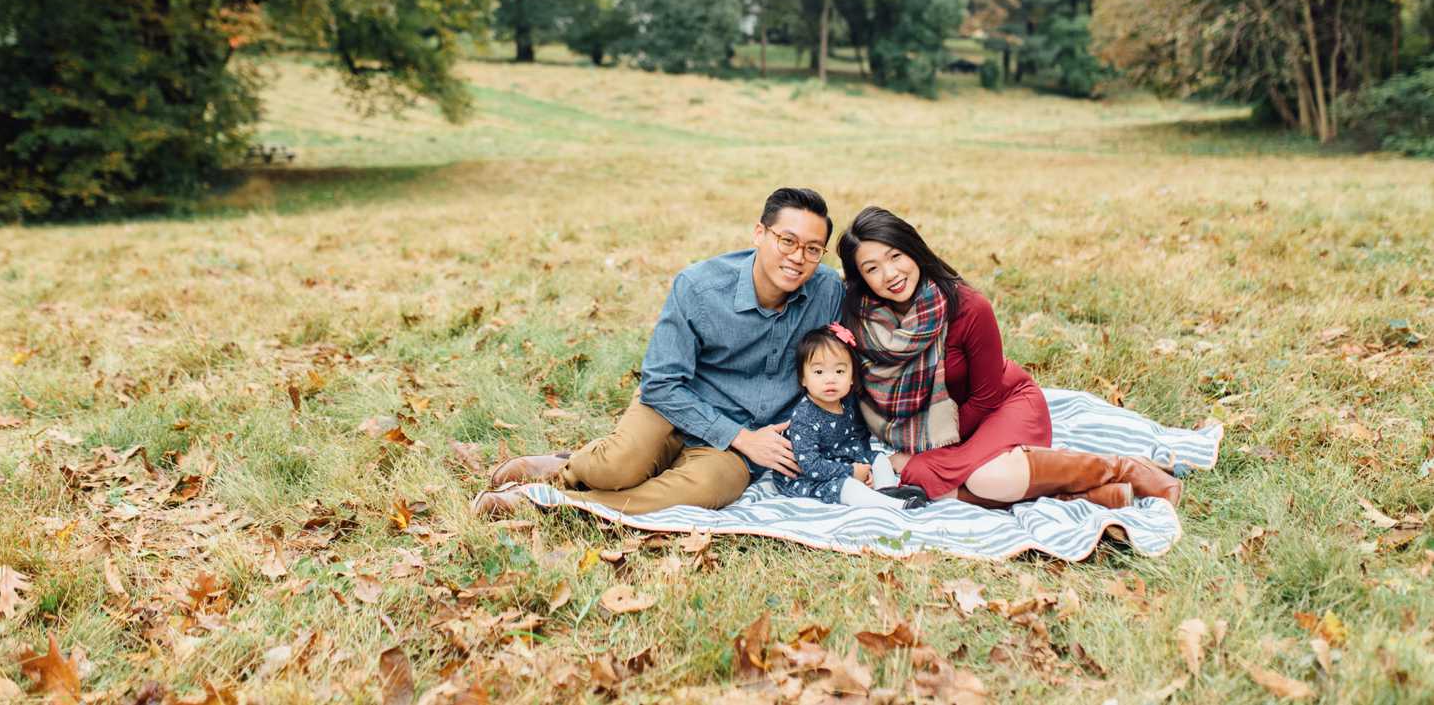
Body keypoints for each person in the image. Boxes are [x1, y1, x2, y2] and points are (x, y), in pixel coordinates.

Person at [473, 187, 845, 516]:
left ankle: (548, 502)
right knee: (615, 468)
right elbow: (661, 384)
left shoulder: (826, 290)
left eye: (813, 249)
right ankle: (565, 468)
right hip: (677, 408)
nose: (799, 257)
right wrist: (742, 437)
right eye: (787, 241)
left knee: (713, 487)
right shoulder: (699, 287)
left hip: (741, 446)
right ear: (759, 233)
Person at [837, 206, 1182, 509]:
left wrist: (934, 448)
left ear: (914, 251)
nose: (890, 274)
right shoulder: (863, 324)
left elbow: (987, 397)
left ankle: (1124, 468)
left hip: (1002, 408)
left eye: (896, 256)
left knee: (978, 478)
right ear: (861, 278)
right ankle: (1090, 496)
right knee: (920, 479)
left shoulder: (969, 307)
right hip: (939, 432)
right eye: (873, 268)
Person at [771, 323, 924, 511]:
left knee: (879, 458)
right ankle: (896, 506)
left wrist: (865, 469)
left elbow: (855, 440)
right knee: (848, 487)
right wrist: (852, 472)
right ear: (803, 378)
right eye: (819, 372)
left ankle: (886, 490)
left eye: (840, 371)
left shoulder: (846, 404)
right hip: (805, 476)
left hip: (839, 460)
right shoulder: (804, 416)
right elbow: (810, 465)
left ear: (852, 377)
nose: (830, 379)